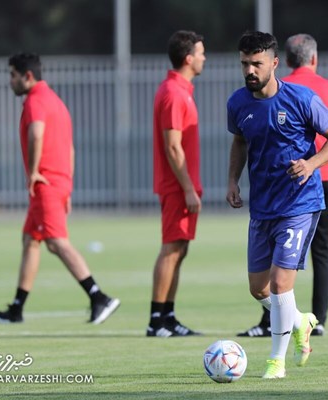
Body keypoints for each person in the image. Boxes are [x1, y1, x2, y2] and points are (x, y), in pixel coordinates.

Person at [226, 31, 328, 379]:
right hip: (262, 207)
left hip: (299, 204)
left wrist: (311, 164)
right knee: (259, 288)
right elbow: (239, 142)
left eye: (256, 64)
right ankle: (300, 321)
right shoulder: (237, 103)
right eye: (245, 63)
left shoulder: (301, 99)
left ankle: (275, 361)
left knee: (281, 284)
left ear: (274, 64)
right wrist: (233, 180)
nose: (250, 70)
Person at [0, 53, 120, 324]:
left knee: (56, 242)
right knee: (31, 239)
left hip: (46, 183)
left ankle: (99, 296)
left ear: (27, 76)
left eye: (12, 75)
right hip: (59, 181)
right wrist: (68, 185)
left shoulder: (35, 101)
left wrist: (33, 172)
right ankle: (17, 308)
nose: (10, 81)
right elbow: (70, 147)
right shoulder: (54, 100)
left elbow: (36, 133)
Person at [147, 31, 206, 338]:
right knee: (171, 249)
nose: (204, 57)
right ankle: (156, 320)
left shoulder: (181, 89)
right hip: (176, 186)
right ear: (188, 58)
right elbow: (173, 147)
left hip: (184, 185)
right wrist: (186, 188)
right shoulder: (173, 92)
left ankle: (168, 317)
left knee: (179, 249)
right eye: (200, 52)